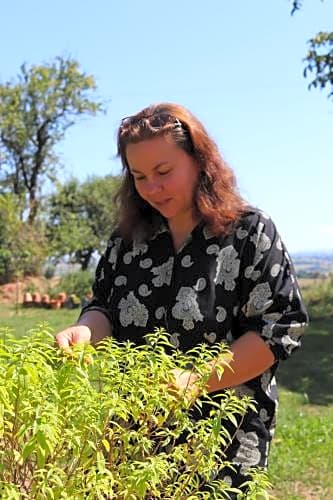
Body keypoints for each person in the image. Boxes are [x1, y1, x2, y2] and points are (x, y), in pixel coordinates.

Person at [56, 102, 308, 492]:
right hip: (135, 433)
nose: (152, 188)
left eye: (163, 172)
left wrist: (196, 379)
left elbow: (280, 328)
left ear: (199, 161)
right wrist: (86, 331)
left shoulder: (249, 233)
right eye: (139, 176)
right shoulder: (128, 242)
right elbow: (103, 305)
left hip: (224, 441)